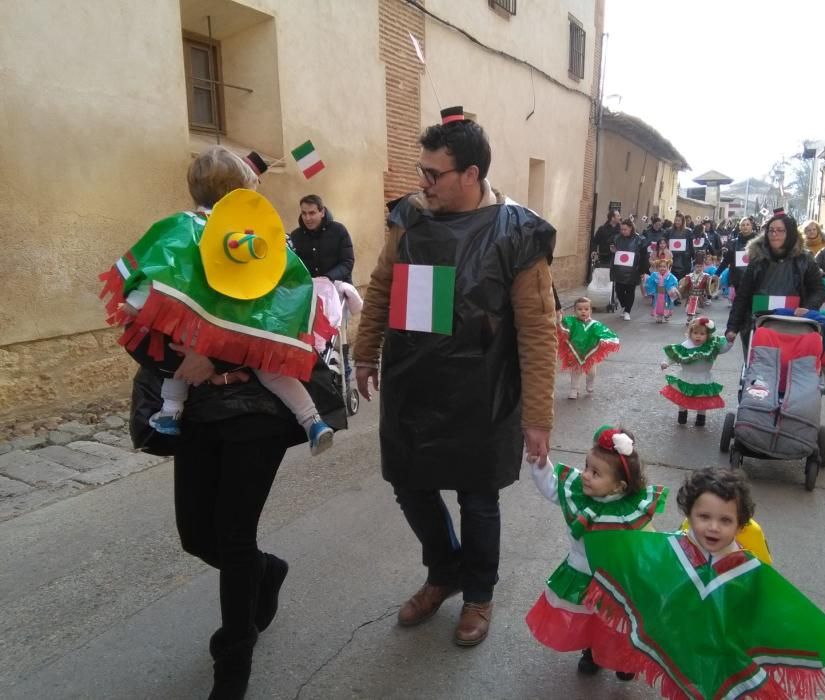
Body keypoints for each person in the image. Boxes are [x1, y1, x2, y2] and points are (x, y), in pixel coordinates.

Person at [101, 146, 334, 699]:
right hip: (199, 412)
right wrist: (179, 360)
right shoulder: (178, 236)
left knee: (231, 537)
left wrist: (221, 358)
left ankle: (233, 664)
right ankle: (264, 570)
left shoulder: (270, 248)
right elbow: (139, 319)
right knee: (195, 535)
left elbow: (292, 331)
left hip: (257, 413)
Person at [353, 107, 557, 646]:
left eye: (433, 174)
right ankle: (443, 572)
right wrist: (364, 352)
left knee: (478, 498)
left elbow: (538, 328)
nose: (422, 183)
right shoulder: (408, 220)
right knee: (408, 483)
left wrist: (538, 416)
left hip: (482, 391)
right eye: (421, 171)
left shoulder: (518, 232)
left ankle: (478, 596)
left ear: (471, 174)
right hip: (412, 384)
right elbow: (380, 288)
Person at [581, 468, 825, 700]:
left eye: (725, 520)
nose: (713, 527)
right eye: (704, 517)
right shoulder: (678, 548)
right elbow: (644, 567)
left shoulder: (746, 568)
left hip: (726, 652)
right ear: (689, 516)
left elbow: (770, 609)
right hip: (686, 642)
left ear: (740, 525)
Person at [525, 426, 667, 679]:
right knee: (588, 618)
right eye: (587, 467)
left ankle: (624, 660)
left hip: (618, 578)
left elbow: (648, 542)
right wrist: (541, 463)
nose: (586, 476)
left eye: (595, 473)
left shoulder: (631, 509)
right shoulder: (579, 492)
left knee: (617, 620)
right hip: (581, 571)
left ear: (618, 486)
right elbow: (551, 485)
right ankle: (591, 652)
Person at [726, 210, 825, 356]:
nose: (774, 234)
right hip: (758, 326)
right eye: (771, 230)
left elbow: (818, 290)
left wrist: (809, 308)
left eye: (780, 230)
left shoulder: (805, 260)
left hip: (794, 326)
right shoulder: (757, 259)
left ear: (790, 233)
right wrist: (732, 327)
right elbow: (743, 295)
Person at [660, 316, 733, 427]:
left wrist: (730, 342)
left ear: (708, 335)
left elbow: (723, 348)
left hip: (703, 377)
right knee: (683, 397)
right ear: (690, 333)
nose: (698, 336)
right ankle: (682, 413)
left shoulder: (711, 345)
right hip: (686, 376)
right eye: (695, 333)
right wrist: (666, 363)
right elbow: (674, 356)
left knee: (702, 398)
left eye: (702, 334)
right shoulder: (685, 346)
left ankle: (701, 417)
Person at [557, 297, 620, 399]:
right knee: (575, 371)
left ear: (590, 310)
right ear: (574, 310)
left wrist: (604, 340)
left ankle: (590, 382)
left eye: (586, 309)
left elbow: (604, 332)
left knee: (591, 372)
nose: (583, 311)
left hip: (590, 354)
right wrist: (559, 318)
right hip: (575, 353)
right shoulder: (571, 321)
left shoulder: (595, 324)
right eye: (580, 309)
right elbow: (562, 326)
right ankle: (574, 389)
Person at [288, 194, 355, 282]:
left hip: (338, 288)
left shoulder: (339, 230)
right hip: (311, 290)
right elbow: (294, 268)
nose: (307, 218)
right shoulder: (295, 236)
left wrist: (329, 278)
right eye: (304, 213)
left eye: (312, 213)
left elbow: (347, 262)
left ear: (322, 212)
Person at [609, 218, 646, 320]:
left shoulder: (639, 240)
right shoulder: (617, 238)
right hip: (619, 269)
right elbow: (611, 249)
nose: (623, 231)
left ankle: (627, 311)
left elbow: (643, 256)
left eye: (625, 229)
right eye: (621, 229)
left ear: (631, 228)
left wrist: (643, 270)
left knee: (630, 291)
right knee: (619, 290)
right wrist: (612, 250)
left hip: (633, 270)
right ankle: (625, 306)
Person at [715, 216, 756, 305]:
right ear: (740, 227)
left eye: (747, 224)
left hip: (754, 278)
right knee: (740, 304)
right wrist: (717, 274)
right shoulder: (734, 243)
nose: (745, 227)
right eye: (743, 225)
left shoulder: (758, 242)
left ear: (751, 226)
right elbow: (726, 261)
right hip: (738, 279)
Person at [680, 253, 712, 323]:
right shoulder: (689, 276)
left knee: (698, 310)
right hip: (691, 295)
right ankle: (690, 318)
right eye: (697, 266)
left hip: (700, 295)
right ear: (694, 267)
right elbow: (685, 286)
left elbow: (709, 286)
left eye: (701, 267)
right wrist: (682, 291)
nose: (699, 268)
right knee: (690, 308)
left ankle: (696, 321)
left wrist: (709, 293)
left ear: (703, 267)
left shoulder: (706, 276)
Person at [645, 258, 678, 322]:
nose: (662, 268)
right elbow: (650, 283)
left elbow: (675, 283)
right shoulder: (654, 275)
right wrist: (652, 290)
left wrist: (672, 289)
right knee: (658, 304)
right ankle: (659, 316)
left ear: (667, 267)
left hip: (666, 293)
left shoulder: (670, 276)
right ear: (657, 267)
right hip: (657, 293)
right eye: (660, 267)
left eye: (664, 267)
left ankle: (666, 314)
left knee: (666, 304)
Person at [667, 213, 694, 279]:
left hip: (684, 260)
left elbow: (691, 246)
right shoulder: (669, 231)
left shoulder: (688, 231)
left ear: (682, 221)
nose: (677, 222)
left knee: (683, 282)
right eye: (676, 220)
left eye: (679, 220)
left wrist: (692, 255)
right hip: (672, 259)